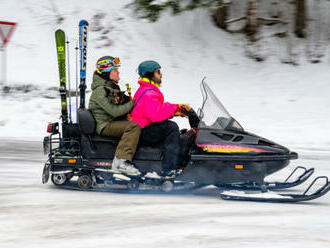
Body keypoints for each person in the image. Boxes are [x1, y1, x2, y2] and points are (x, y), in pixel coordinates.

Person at [130, 60, 191, 176]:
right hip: (142, 130)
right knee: (171, 128)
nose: (161, 75)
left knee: (170, 127)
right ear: (150, 74)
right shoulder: (148, 92)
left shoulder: (147, 90)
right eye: (158, 72)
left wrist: (175, 111)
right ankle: (169, 168)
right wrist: (176, 107)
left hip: (143, 126)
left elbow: (155, 110)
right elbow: (155, 114)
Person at [88, 56, 141, 176]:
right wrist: (133, 103)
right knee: (133, 126)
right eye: (115, 71)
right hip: (105, 125)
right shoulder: (100, 90)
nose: (118, 73)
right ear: (106, 72)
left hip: (112, 121)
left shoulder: (109, 87)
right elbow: (115, 111)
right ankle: (120, 162)